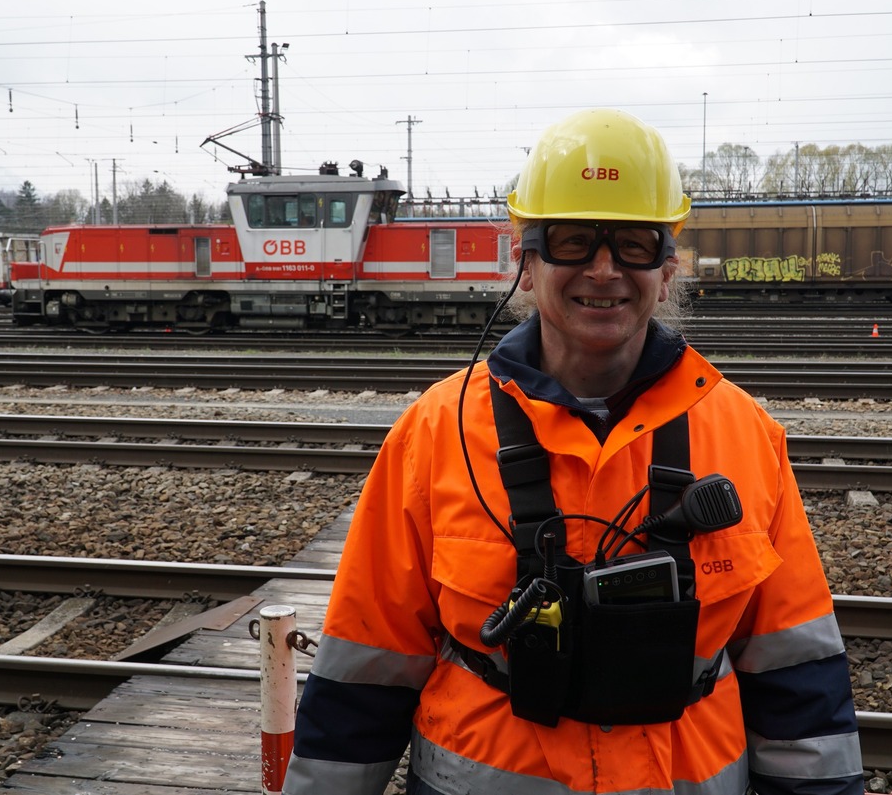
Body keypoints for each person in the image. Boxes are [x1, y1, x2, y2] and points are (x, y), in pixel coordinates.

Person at [282, 108, 862, 795]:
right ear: (525, 264)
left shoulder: (746, 436)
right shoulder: (431, 435)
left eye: (634, 245)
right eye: (573, 240)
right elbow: (363, 672)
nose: (605, 268)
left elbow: (797, 672)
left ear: (667, 270)